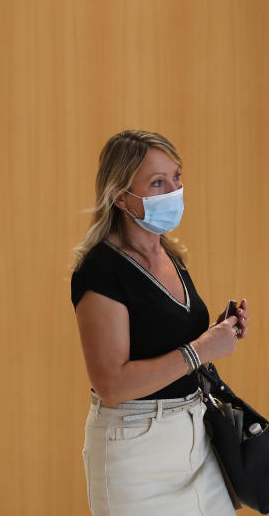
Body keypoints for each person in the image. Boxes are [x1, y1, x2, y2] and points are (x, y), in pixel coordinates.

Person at [70, 129, 251, 515]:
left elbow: (165, 339)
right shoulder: (100, 269)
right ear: (120, 196)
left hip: (195, 437)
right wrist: (201, 349)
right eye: (157, 182)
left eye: (176, 177)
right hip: (135, 450)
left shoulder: (169, 254)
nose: (173, 190)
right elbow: (112, 385)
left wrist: (218, 332)